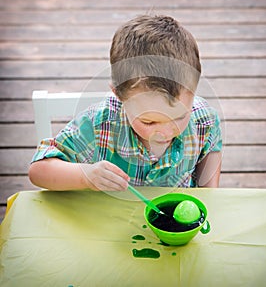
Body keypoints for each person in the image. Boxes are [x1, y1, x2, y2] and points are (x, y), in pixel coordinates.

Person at [29, 15, 222, 191]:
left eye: (179, 117)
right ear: (118, 95)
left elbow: (210, 153)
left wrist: (208, 195)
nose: (165, 132)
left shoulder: (203, 120)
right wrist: (85, 176)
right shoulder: (100, 125)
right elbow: (38, 170)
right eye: (149, 122)